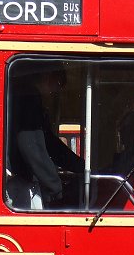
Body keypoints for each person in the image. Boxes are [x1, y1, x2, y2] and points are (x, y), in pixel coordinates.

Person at [9, 68, 84, 208]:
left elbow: (50, 144)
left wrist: (82, 167)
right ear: (48, 76)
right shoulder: (28, 96)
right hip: (17, 181)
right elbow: (32, 145)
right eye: (59, 83)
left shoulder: (25, 96)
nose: (55, 91)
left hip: (20, 178)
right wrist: (55, 186)